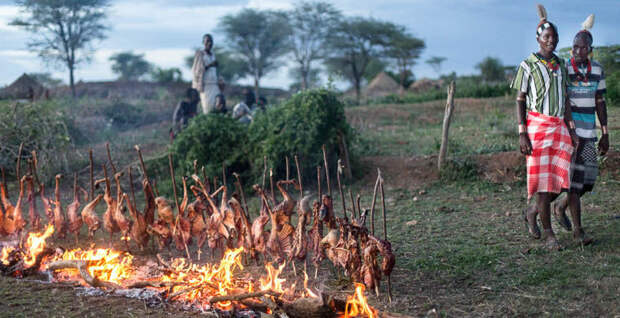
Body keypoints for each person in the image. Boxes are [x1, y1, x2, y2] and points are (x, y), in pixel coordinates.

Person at [510, 4, 578, 250]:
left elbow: (566, 99)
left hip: (559, 128)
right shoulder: (527, 65)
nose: (551, 40)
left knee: (563, 180)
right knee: (541, 183)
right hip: (537, 129)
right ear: (538, 38)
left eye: (555, 37)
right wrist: (522, 133)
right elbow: (520, 100)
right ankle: (549, 234)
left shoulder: (561, 65)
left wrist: (571, 129)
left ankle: (532, 211)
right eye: (547, 37)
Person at [552, 14, 608, 245]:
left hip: (590, 133)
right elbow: (562, 100)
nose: (577, 51)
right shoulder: (565, 69)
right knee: (575, 182)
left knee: (588, 181)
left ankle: (558, 206)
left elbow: (600, 102)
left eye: (582, 47)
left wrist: (605, 132)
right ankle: (578, 231)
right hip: (571, 135)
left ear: (590, 49)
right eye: (574, 46)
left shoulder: (597, 70)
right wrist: (569, 130)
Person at [191, 34, 220, 114]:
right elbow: (196, 71)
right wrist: (210, 65)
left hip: (214, 84)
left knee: (217, 106)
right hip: (205, 86)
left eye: (211, 41)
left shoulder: (213, 55)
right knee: (207, 108)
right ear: (203, 42)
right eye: (207, 41)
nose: (209, 43)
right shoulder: (200, 54)